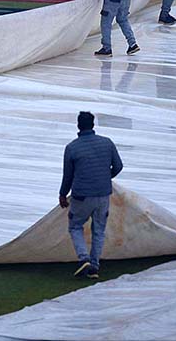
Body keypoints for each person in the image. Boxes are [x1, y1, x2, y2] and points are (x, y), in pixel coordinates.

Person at [59, 111, 124, 279]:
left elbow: (68, 176)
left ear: (78, 126)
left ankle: (84, 259)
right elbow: (118, 166)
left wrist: (62, 194)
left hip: (82, 196)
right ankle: (94, 266)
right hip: (103, 195)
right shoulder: (107, 143)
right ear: (93, 125)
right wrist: (104, 178)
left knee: (75, 226)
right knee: (99, 230)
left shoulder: (72, 147)